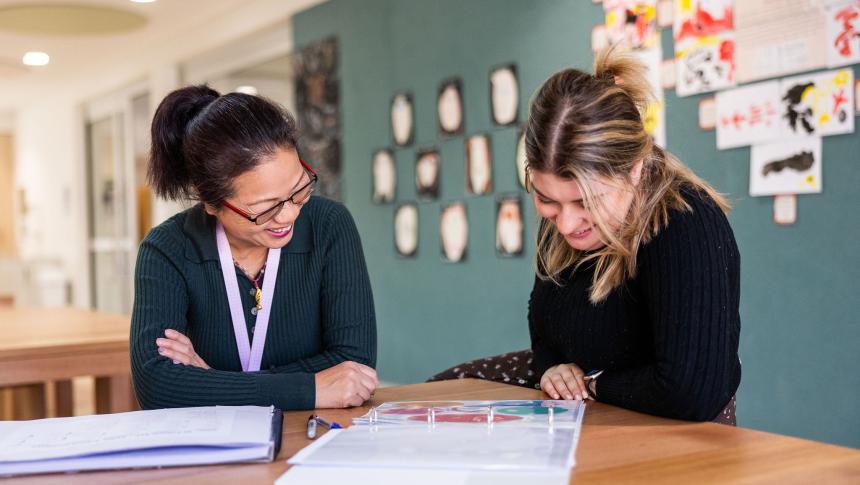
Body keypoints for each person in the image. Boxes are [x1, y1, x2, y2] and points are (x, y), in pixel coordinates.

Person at [524, 48, 741, 422]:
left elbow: (690, 391)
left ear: (635, 170)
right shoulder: (564, 216)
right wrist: (553, 368)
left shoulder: (686, 223)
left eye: (584, 202)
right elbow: (542, 322)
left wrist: (591, 384)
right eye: (547, 201)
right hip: (596, 416)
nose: (565, 224)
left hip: (679, 432)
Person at [130, 85, 377, 410]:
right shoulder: (167, 250)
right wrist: (312, 387)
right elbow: (157, 387)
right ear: (211, 202)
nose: (289, 214)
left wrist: (214, 381)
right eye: (266, 207)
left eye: (299, 188)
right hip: (213, 447)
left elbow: (353, 366)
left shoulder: (329, 226)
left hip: (318, 440)